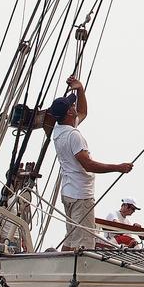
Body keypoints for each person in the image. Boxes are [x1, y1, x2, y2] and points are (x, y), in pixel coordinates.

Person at [49, 76, 134, 250]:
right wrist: (118, 168)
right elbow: (88, 165)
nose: (74, 106)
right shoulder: (74, 136)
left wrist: (80, 90)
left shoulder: (58, 130)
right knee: (83, 244)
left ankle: (60, 264)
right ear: (69, 113)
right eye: (71, 106)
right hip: (81, 194)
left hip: (69, 191)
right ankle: (75, 273)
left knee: (72, 238)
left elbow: (83, 112)